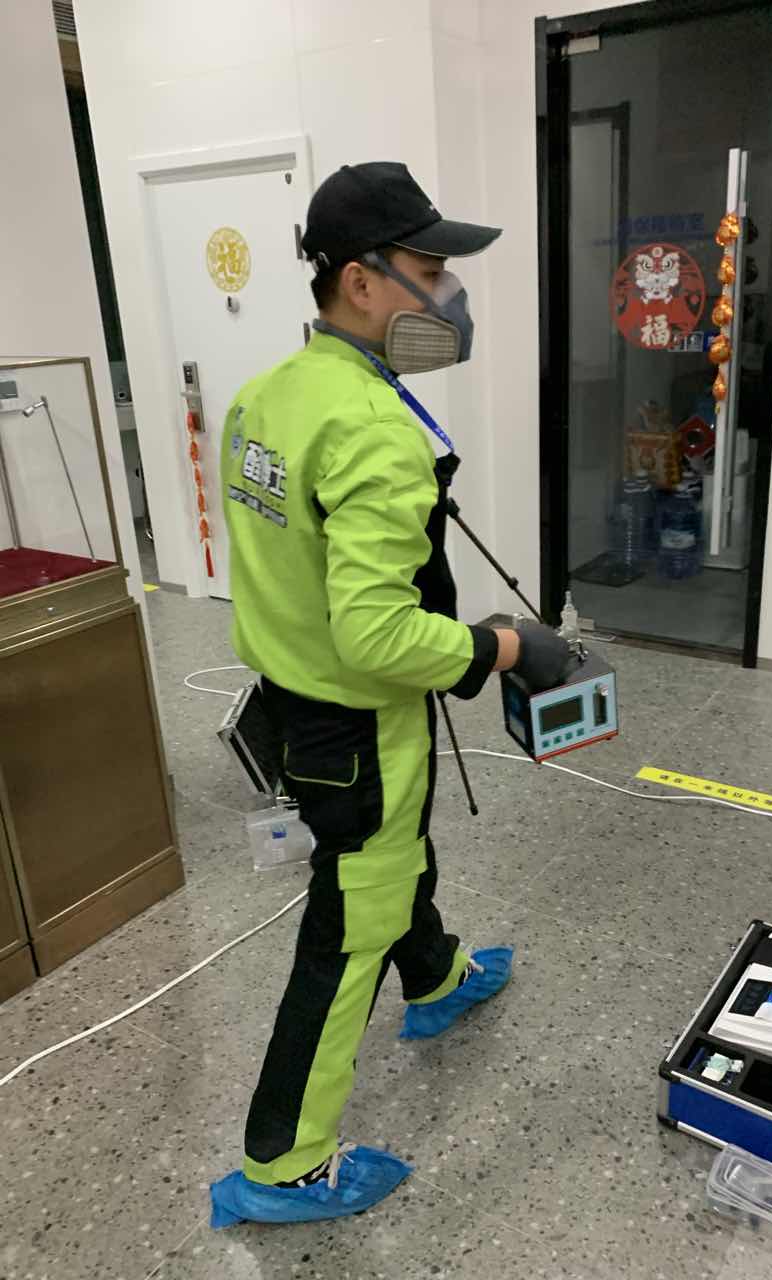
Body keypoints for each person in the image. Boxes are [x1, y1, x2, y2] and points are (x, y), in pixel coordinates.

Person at [209, 162, 571, 1228]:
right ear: (361, 281)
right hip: (359, 716)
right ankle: (284, 1163)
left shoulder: (269, 394)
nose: (448, 295)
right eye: (430, 269)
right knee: (349, 919)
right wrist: (504, 646)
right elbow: (375, 631)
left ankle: (438, 977)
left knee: (389, 855)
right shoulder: (371, 428)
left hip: (293, 695)